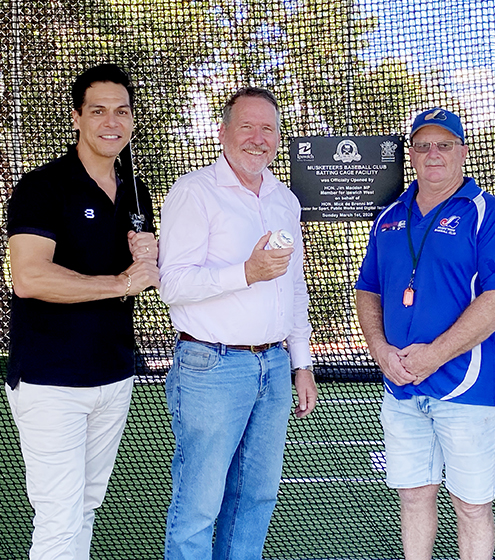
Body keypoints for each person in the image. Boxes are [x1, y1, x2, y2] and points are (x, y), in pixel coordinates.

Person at [355, 108, 495, 560]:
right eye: (423, 145)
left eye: (444, 144)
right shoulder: (389, 216)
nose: (433, 154)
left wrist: (434, 355)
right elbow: (368, 290)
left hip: (465, 388)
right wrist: (379, 350)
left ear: (463, 152)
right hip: (400, 386)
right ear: (411, 154)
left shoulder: (490, 215)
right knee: (413, 497)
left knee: (470, 506)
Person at [5, 63, 160, 560]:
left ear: (133, 120)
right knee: (60, 515)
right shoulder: (43, 187)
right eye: (98, 111)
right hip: (51, 381)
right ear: (77, 118)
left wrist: (149, 259)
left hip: (113, 376)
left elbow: (143, 276)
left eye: (122, 111)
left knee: (86, 508)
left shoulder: (137, 192)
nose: (111, 121)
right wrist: (120, 281)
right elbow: (29, 277)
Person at [158, 86, 318, 560]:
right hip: (211, 364)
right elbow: (174, 286)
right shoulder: (194, 192)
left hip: (272, 365)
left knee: (256, 498)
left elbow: (294, 287)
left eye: (267, 128)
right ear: (223, 132)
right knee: (199, 506)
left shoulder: (284, 198)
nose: (257, 138)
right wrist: (245, 273)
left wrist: (301, 362)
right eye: (246, 126)